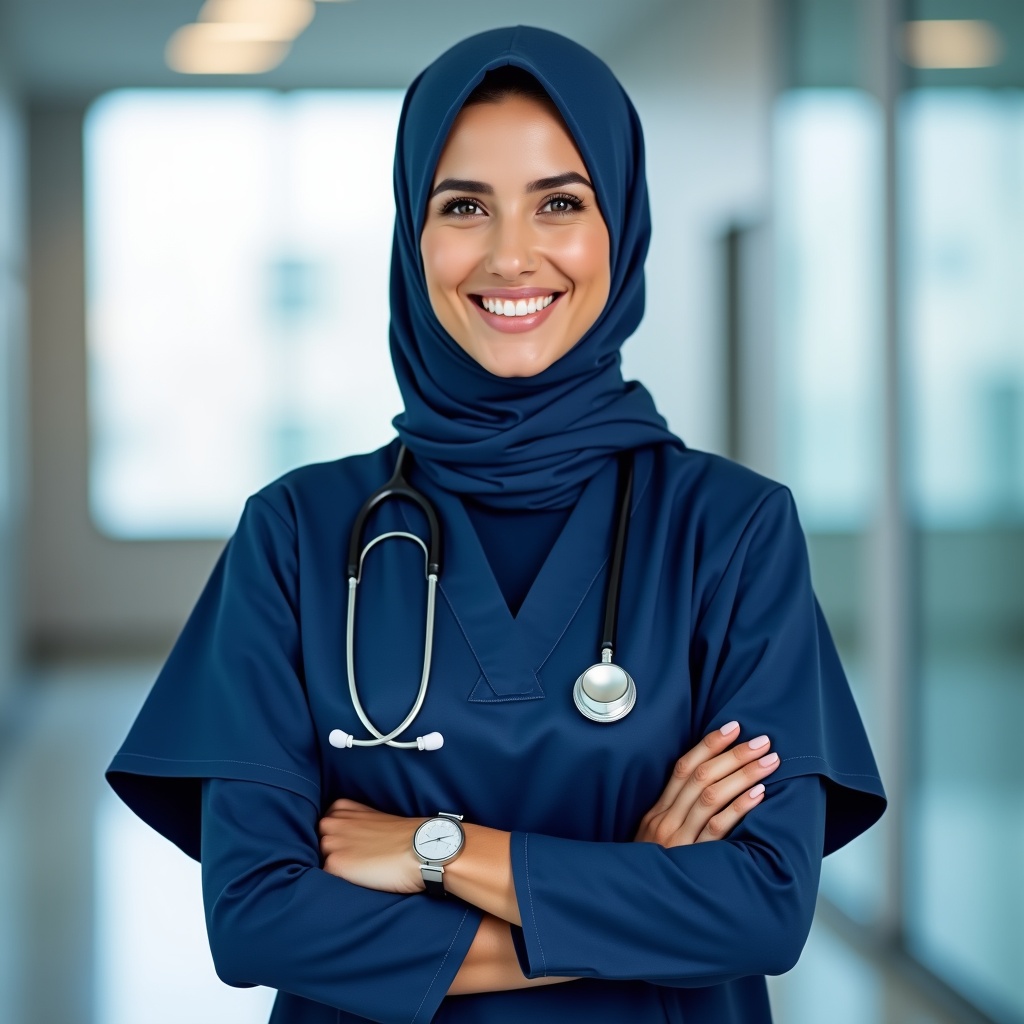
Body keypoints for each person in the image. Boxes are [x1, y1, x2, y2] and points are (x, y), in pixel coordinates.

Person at [106, 25, 886, 1024]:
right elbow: (258, 917)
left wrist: (437, 848)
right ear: (411, 235)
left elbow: (762, 909)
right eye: (463, 205)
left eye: (560, 202)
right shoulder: (298, 532)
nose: (511, 254)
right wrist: (635, 891)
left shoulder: (729, 530)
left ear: (622, 227)